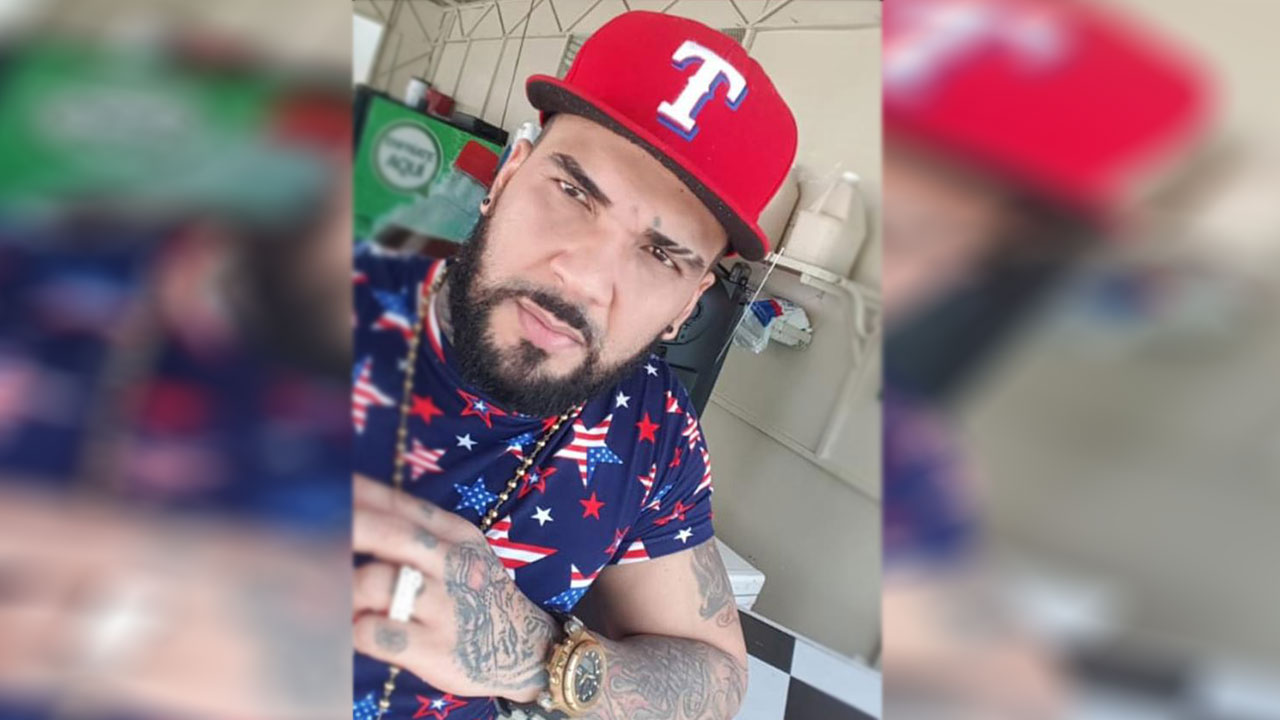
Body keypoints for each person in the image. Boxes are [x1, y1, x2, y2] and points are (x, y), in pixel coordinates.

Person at [350, 11, 797, 720]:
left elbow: (718, 680)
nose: (585, 278)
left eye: (661, 254)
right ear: (508, 175)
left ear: (689, 303)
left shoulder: (653, 429)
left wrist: (532, 654)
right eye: (574, 193)